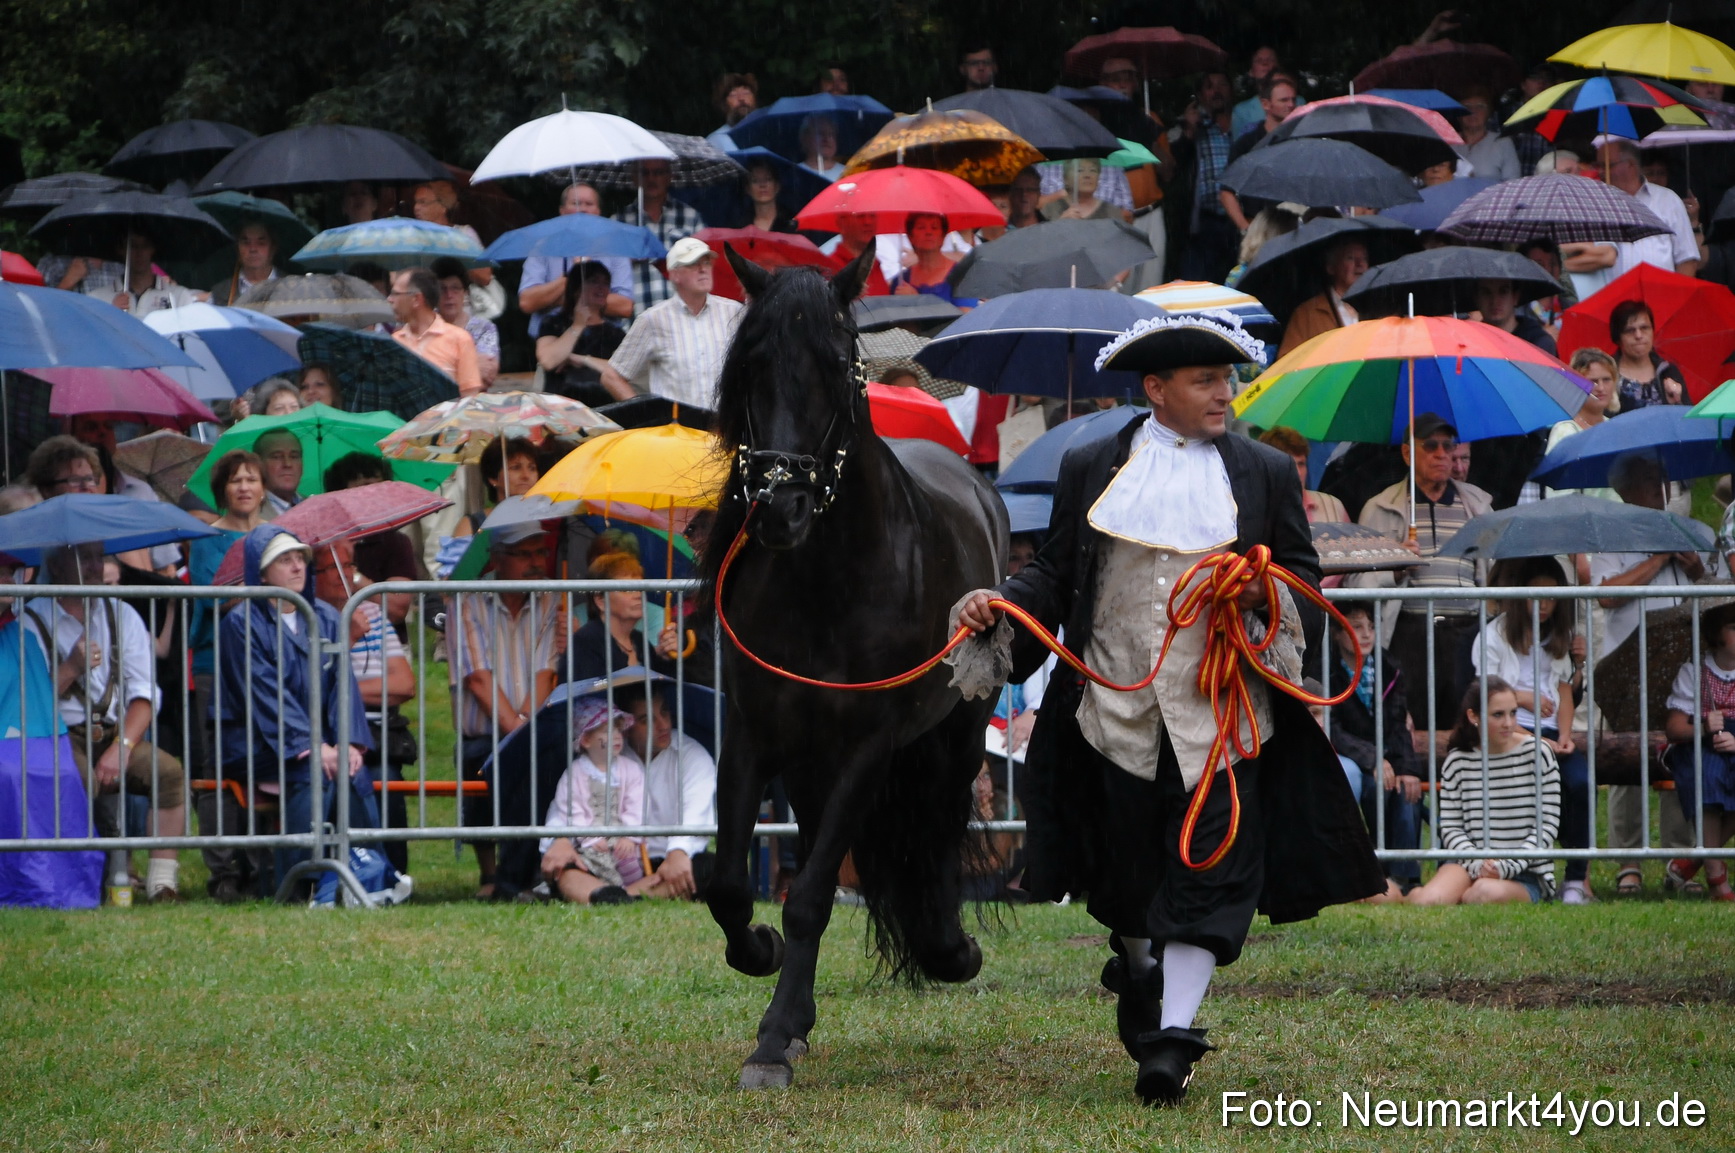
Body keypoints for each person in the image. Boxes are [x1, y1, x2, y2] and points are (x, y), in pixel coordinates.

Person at [954, 313, 1382, 1105]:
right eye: (1203, 381)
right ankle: (1140, 970)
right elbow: (1052, 574)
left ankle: (1173, 1040)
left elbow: (1302, 582)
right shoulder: (1089, 465)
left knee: (1212, 872)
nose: (1223, 394)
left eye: (1226, 379)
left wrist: (1264, 590)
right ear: (1155, 389)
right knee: (1124, 879)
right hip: (1108, 713)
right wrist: (1001, 605)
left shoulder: (1261, 472)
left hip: (1221, 716)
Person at [216, 526, 380, 896]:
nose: (296, 567)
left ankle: (369, 876)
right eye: (283, 560)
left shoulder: (323, 616)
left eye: (299, 558)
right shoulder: (240, 623)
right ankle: (295, 885)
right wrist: (312, 745)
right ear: (262, 573)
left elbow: (343, 686)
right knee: (315, 772)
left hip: (316, 744)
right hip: (256, 744)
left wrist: (347, 743)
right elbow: (263, 694)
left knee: (354, 772)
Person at [21, 542, 188, 903]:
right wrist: (69, 670)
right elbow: (30, 701)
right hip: (58, 735)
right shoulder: (31, 618)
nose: (94, 566)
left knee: (170, 773)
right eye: (83, 556)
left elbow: (144, 694)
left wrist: (122, 747)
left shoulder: (122, 614)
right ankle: (83, 880)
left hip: (115, 731)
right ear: (56, 563)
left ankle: (162, 885)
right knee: (76, 780)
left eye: (99, 556)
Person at [1589, 452, 1717, 894]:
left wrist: (1695, 566)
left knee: (1678, 755)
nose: (1658, 487)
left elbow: (1712, 591)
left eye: (1661, 477)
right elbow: (1607, 595)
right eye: (1647, 479)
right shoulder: (1610, 534)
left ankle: (1676, 860)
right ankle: (1629, 863)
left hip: (1682, 664)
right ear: (1625, 490)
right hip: (1627, 667)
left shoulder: (1685, 530)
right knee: (1625, 756)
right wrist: (1658, 558)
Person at [1347, 413, 1495, 726]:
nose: (1443, 454)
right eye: (1430, 445)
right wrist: (1395, 569)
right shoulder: (1380, 507)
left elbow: (1493, 575)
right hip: (1409, 633)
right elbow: (1357, 582)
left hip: (1468, 634)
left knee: (1467, 729)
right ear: (1406, 453)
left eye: (1447, 445)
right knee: (1408, 728)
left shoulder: (1478, 506)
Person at [448, 522, 564, 899]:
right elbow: (478, 679)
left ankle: (516, 877)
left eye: (540, 552)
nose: (536, 563)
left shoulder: (549, 599)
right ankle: (503, 876)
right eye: (524, 554)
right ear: (497, 559)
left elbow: (547, 671)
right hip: (482, 733)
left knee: (543, 758)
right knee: (507, 758)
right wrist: (520, 735)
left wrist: (523, 732)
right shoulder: (466, 601)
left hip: (528, 726)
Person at [1471, 557, 1592, 904]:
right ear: (1520, 595)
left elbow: (1565, 690)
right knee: (1536, 780)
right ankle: (1526, 871)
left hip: (1554, 733)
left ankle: (1575, 879)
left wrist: (1565, 736)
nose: (1544, 606)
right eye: (1536, 596)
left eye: (1552, 598)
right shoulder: (1493, 635)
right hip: (1508, 729)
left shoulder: (1562, 637)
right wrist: (1522, 699)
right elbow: (1486, 694)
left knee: (1581, 783)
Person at [187, 450, 268, 899]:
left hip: (265, 665)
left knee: (262, 761)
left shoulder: (276, 537)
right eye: (235, 480)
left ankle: (261, 862)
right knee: (217, 764)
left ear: (262, 488)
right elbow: (209, 598)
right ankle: (223, 870)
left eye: (252, 479)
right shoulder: (205, 540)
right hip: (216, 664)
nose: (243, 487)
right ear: (223, 490)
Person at [311, 535, 417, 876]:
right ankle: (340, 874)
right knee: (342, 782)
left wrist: (345, 692)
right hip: (324, 737)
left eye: (349, 565)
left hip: (375, 734)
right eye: (334, 567)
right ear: (314, 575)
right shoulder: (306, 616)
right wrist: (350, 640)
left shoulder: (370, 608)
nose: (346, 575)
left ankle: (391, 875)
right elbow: (311, 689)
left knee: (384, 779)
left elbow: (404, 684)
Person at [1408, 678, 1560, 906]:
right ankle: (1415, 895)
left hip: (1526, 871)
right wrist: (1478, 863)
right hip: (1468, 864)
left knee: (1485, 892)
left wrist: (1506, 866)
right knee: (1430, 901)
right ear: (1473, 717)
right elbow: (1451, 827)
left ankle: (1457, 895)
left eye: (1513, 713)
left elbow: (1547, 826)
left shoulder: (1539, 753)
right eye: (1498, 715)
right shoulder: (1457, 761)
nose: (1509, 723)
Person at [1326, 601, 1423, 899]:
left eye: (1370, 626)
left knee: (1408, 792)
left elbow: (1398, 723)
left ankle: (1407, 877)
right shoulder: (1328, 671)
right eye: (1356, 627)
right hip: (1354, 758)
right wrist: (1371, 759)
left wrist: (1407, 768)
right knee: (1374, 788)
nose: (1366, 634)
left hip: (1389, 757)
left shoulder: (1389, 668)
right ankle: (1375, 870)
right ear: (1338, 634)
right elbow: (1334, 729)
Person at [601, 237, 743, 408]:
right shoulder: (653, 320)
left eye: (706, 263)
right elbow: (611, 376)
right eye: (693, 264)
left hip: (724, 427)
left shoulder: (734, 312)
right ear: (674, 274)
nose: (703, 269)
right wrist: (649, 416)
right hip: (676, 430)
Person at [536, 698, 647, 904]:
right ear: (586, 740)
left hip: (620, 834)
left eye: (617, 730)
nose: (615, 736)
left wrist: (630, 835)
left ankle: (631, 893)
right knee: (589, 862)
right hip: (591, 839)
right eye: (606, 731)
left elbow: (636, 803)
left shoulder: (630, 769)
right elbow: (572, 808)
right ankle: (602, 890)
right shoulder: (576, 773)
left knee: (630, 861)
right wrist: (591, 838)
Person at [1660, 601, 1735, 901]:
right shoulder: (1695, 671)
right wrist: (1704, 727)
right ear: (1717, 634)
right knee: (1709, 779)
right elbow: (1674, 728)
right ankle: (1718, 879)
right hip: (1700, 747)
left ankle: (1696, 857)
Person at [1562, 139, 1700, 299]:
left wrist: (1678, 301)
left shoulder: (1667, 200)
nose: (1601, 171)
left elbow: (1687, 259)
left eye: (1608, 165)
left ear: (1631, 165)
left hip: (1660, 300)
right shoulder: (1596, 204)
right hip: (1613, 306)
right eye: (1598, 165)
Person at [617, 682, 715, 899]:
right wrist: (561, 842)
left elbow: (696, 815)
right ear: (625, 727)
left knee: (711, 868)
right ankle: (631, 895)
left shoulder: (692, 756)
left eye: (664, 712)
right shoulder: (609, 757)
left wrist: (678, 851)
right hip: (619, 862)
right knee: (569, 867)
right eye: (646, 719)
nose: (662, 725)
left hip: (673, 862)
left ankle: (619, 898)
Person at [516, 182, 634, 336]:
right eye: (576, 203)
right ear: (562, 211)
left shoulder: (615, 250)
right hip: (551, 343)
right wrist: (571, 278)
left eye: (589, 204)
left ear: (598, 212)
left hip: (602, 344)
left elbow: (624, 307)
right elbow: (528, 302)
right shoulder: (543, 249)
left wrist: (564, 298)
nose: (583, 209)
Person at [569, 551, 689, 681]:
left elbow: (662, 692)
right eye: (627, 589)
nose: (638, 595)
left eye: (640, 587)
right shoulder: (585, 644)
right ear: (600, 601)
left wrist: (665, 658)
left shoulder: (639, 641)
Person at [612, 159, 706, 317]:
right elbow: (606, 273)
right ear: (634, 177)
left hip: (682, 315)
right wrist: (627, 259)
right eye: (644, 173)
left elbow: (704, 266)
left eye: (658, 172)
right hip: (637, 317)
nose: (651, 178)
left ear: (670, 176)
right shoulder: (618, 222)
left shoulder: (690, 217)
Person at [1175, 71, 1239, 284]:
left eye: (1222, 84)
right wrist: (1188, 131)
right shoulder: (1191, 126)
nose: (1216, 91)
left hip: (1238, 218)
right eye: (1210, 87)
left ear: (1231, 90)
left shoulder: (1243, 125)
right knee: (1198, 284)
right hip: (1204, 222)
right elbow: (1173, 167)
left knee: (1235, 282)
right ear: (1200, 95)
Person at [533, 261, 626, 407]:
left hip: (603, 406)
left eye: (606, 282)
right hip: (560, 405)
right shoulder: (553, 323)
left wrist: (580, 359)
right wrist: (578, 325)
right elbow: (548, 360)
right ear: (576, 288)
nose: (601, 287)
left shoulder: (615, 332)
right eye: (594, 281)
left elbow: (621, 370)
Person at [389, 267, 482, 396]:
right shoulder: (394, 342)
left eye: (396, 294)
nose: (390, 299)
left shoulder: (459, 339)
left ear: (416, 299)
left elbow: (470, 397)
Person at [1221, 75, 1298, 233]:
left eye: (1293, 100)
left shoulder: (1301, 141)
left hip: (1295, 227)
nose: (1291, 105)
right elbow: (1226, 192)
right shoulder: (1247, 144)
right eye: (1284, 100)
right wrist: (1245, 228)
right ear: (1265, 104)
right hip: (1259, 227)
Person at [1542, 348, 1618, 501]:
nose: (1601, 388)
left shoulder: (1615, 428)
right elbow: (1559, 495)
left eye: (1607, 379)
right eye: (1593, 381)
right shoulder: (1565, 431)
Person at [68, 230, 202, 316]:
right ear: (121, 250)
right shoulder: (96, 298)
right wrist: (109, 314)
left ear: (153, 249)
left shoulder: (179, 296)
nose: (139, 253)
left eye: (145, 246)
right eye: (132, 246)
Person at [1277, 238, 1367, 357]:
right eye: (1350, 257)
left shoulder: (1378, 310)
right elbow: (1287, 361)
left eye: (1365, 258)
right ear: (1331, 267)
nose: (1360, 264)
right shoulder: (1307, 314)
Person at [430, 256, 499, 390]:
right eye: (442, 288)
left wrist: (440, 367)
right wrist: (470, 365)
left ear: (465, 292)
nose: (449, 295)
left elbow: (486, 375)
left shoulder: (484, 327)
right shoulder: (426, 326)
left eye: (455, 288)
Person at [1608, 300, 1685, 411]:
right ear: (1618, 337)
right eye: (1630, 330)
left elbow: (1686, 417)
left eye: (1644, 328)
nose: (1638, 335)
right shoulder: (1607, 377)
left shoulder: (1668, 371)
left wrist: (1677, 402)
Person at [1256, 427, 1346, 522]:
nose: (1298, 473)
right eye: (1290, 465)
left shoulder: (1333, 507)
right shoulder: (1252, 514)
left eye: (1301, 464)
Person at [1450, 86, 1519, 183]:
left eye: (1480, 106)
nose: (1473, 112)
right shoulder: (1448, 142)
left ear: (1489, 113)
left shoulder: (1502, 142)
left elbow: (1512, 182)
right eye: (1467, 106)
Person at [890, 213, 964, 300]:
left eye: (934, 228)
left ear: (943, 237)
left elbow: (966, 312)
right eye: (921, 228)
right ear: (910, 237)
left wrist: (916, 300)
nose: (928, 232)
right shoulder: (901, 281)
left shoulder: (962, 276)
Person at [1474, 278, 1556, 356]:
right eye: (1486, 292)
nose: (1494, 301)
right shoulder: (1470, 340)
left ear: (1515, 297)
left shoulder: (1539, 344)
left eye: (1503, 292)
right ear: (1477, 298)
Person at [208, 220, 280, 305]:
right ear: (237, 248)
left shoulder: (291, 286)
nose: (253, 249)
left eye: (261, 243)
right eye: (246, 243)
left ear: (272, 249)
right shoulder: (220, 292)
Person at [1040, 159, 1121, 223]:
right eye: (1080, 170)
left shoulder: (1111, 211)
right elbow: (1042, 240)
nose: (1087, 175)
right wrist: (1060, 223)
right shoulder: (1050, 209)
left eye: (1093, 170)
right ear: (1066, 179)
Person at [1230, 46, 1281, 138]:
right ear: (1251, 72)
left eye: (1270, 59)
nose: (1265, 63)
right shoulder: (1241, 111)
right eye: (1259, 60)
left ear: (1278, 66)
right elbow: (1239, 148)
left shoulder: (1297, 102)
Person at [253, 428, 305, 515]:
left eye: (294, 456)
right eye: (277, 457)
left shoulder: (318, 508)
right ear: (258, 463)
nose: (287, 464)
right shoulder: (248, 515)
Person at [707, 71, 759, 152]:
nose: (741, 98)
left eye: (746, 93)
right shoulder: (716, 140)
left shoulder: (768, 133)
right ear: (724, 104)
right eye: (733, 95)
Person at [742, 158, 797, 232]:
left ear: (777, 186)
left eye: (768, 179)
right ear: (748, 189)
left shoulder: (792, 221)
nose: (762, 185)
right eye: (755, 180)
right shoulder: (740, 224)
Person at [797, 115, 845, 182]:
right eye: (820, 134)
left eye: (831, 134)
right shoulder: (795, 174)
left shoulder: (848, 173)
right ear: (805, 138)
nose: (826, 139)